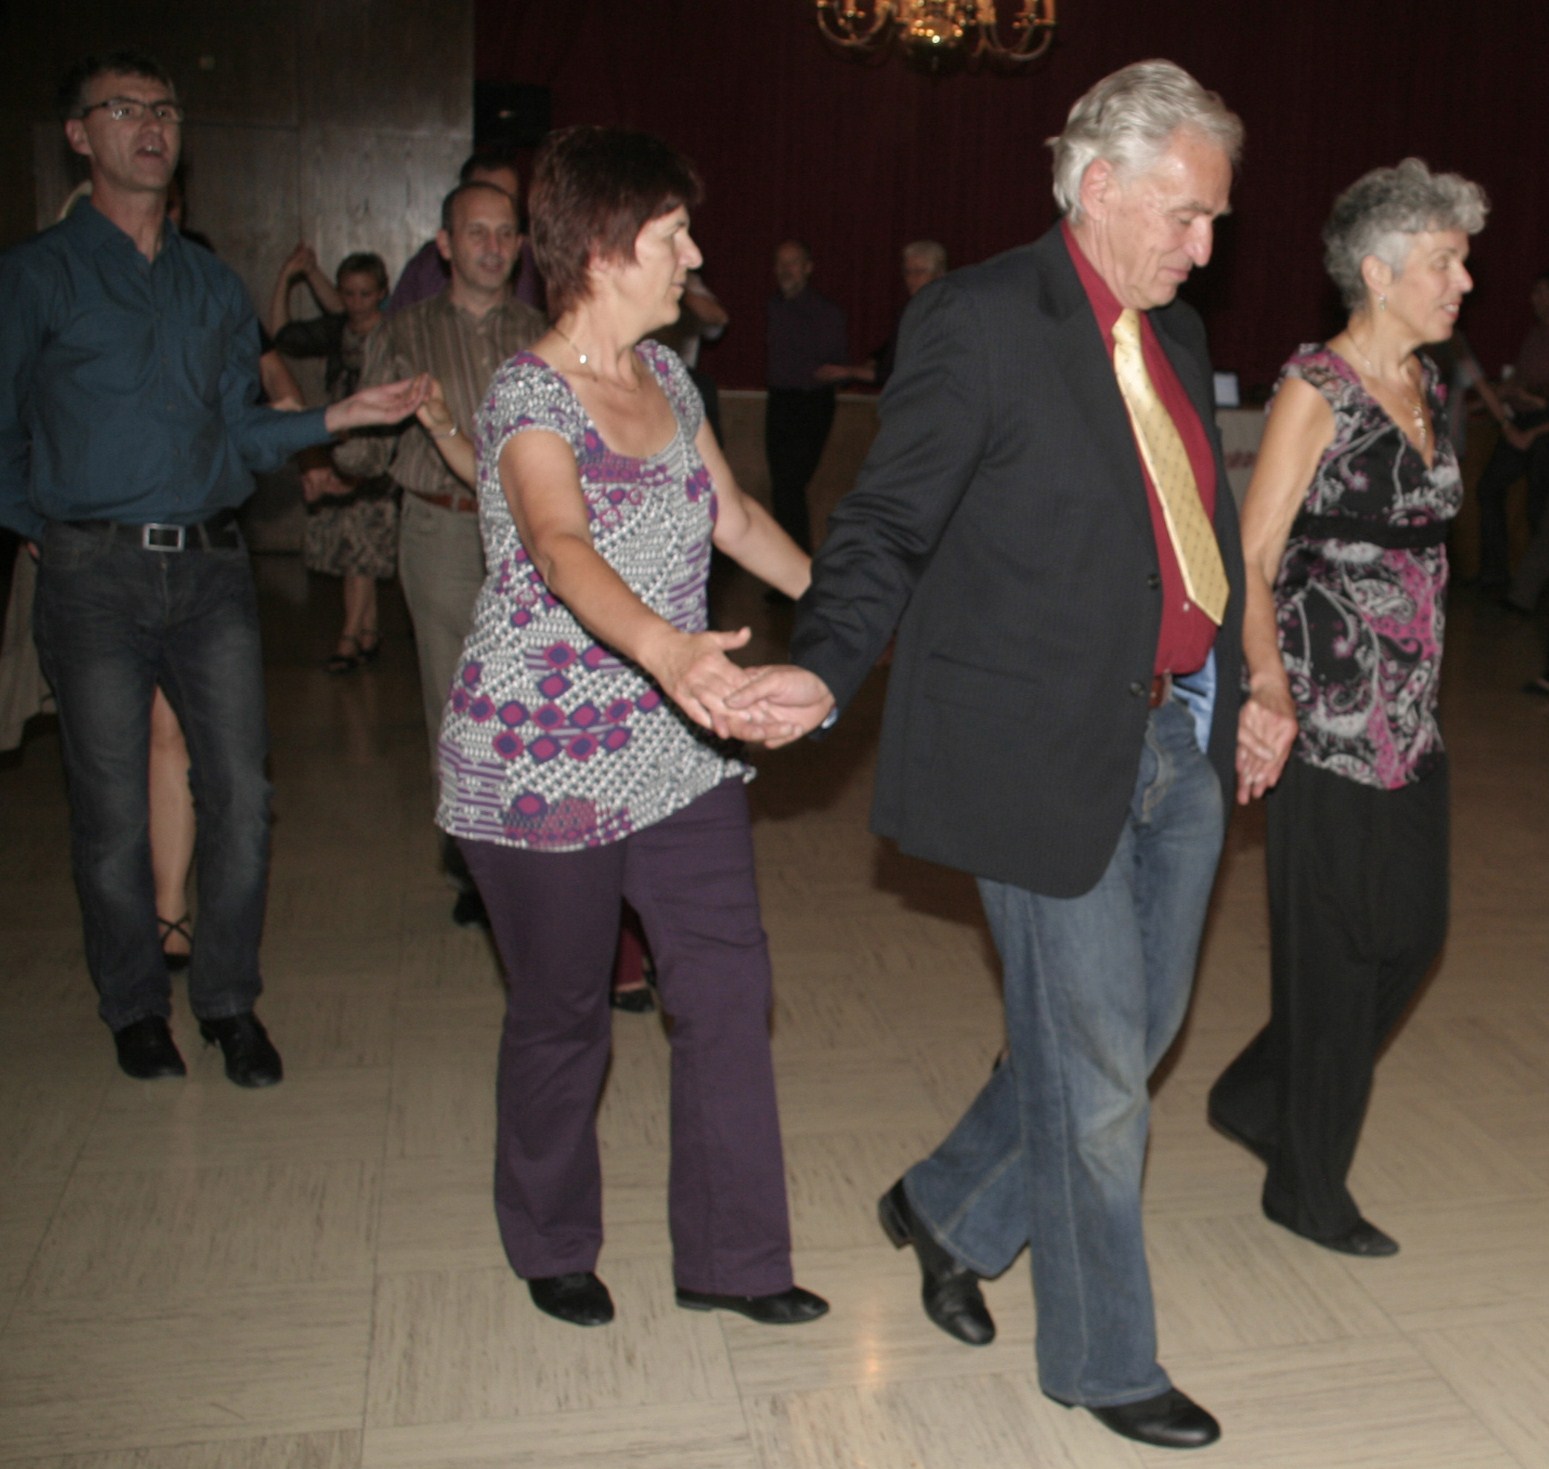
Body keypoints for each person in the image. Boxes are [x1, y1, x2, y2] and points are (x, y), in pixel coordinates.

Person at [728, 61, 1245, 1449]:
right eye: (1188, 215)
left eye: (1214, 219)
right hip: (1037, 746)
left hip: (1175, 735)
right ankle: (1103, 1359)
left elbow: (1197, 530)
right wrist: (825, 667)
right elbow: (885, 521)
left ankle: (947, 1205)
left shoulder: (1175, 332)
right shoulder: (978, 317)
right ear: (1102, 184)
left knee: (1123, 1040)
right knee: (1098, 1086)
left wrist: (1242, 688)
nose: (1206, 247)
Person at [429, 124, 823, 1331]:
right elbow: (559, 546)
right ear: (602, 250)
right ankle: (550, 1236)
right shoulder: (527, 395)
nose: (694, 256)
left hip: (675, 746)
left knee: (726, 986)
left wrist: (855, 616)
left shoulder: (671, 379)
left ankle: (734, 1257)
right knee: (563, 1009)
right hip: (538, 759)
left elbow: (735, 516)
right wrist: (666, 647)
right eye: (673, 235)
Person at [0, 49, 427, 1085]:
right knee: (109, 809)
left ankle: (228, 998)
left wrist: (337, 416)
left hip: (209, 571)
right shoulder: (37, 275)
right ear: (79, 135)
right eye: (123, 109)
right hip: (92, 572)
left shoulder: (211, 284)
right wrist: (36, 524)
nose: (151, 124)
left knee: (241, 791)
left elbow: (241, 430)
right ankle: (134, 1004)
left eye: (165, 109)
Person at [1211, 159, 1487, 1258]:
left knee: (1411, 935)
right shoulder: (1315, 389)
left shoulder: (1425, 382)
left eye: (1461, 260)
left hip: (1411, 720)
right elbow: (1251, 554)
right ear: (1378, 271)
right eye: (1443, 261)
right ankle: (1305, 1183)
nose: (1463, 281)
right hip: (1323, 717)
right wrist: (1267, 682)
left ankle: (1255, 1088)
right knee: (1332, 953)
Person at [333, 181, 544, 928]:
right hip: (443, 532)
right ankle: (473, 865)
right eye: (476, 232)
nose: (493, 246)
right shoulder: (403, 333)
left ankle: (532, 849)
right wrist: (335, 446)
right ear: (446, 245)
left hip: (531, 536)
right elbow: (364, 444)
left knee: (531, 699)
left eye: (506, 232)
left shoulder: (545, 335)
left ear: (521, 245)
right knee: (458, 704)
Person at [271, 246, 399, 672]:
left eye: (366, 294)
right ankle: (367, 631)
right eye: (348, 294)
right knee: (353, 546)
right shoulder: (339, 330)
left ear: (381, 293)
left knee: (361, 548)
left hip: (378, 448)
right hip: (341, 443)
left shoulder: (394, 335)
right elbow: (282, 335)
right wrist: (290, 276)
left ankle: (349, 636)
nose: (357, 303)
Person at [764, 240, 848, 552]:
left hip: (811, 402)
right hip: (780, 401)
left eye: (794, 262)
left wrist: (827, 373)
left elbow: (835, 365)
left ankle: (796, 559)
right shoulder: (774, 307)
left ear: (808, 268)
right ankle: (789, 558)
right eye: (781, 263)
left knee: (790, 484)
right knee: (781, 485)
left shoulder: (825, 312)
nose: (786, 269)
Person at [385, 150, 541, 314]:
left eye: (508, 199)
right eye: (483, 195)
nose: (494, 247)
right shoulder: (425, 269)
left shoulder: (539, 266)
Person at [1471, 270, 1549, 589]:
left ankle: (1532, 585)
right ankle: (1495, 573)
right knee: (1488, 488)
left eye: (1543, 292)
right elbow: (1517, 383)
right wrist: (1484, 403)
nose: (1536, 299)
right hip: (1522, 420)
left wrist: (1533, 423)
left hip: (1542, 428)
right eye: (1535, 292)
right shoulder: (1535, 335)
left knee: (1538, 506)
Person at [821, 240, 948, 389]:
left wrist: (851, 372)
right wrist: (874, 359)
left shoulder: (945, 315)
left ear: (939, 275)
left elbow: (902, 372)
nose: (911, 279)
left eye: (919, 272)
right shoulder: (910, 310)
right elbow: (892, 351)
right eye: (907, 272)